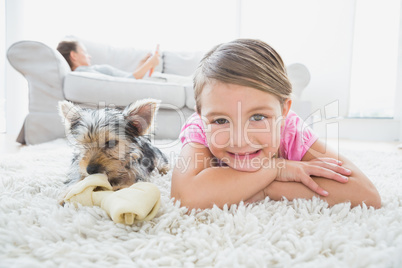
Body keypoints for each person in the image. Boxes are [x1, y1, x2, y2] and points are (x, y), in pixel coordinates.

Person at [171, 39, 381, 210]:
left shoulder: (290, 131)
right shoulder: (199, 128)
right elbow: (184, 197)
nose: (240, 139)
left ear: (283, 111)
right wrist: (276, 169)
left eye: (258, 117)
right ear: (201, 116)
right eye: (221, 121)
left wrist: (267, 189)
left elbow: (366, 194)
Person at [57, 40, 160, 79]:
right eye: (84, 52)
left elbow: (129, 80)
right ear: (74, 56)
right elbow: (127, 83)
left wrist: (142, 64)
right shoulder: (82, 72)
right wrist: (149, 64)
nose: (89, 56)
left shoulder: (88, 71)